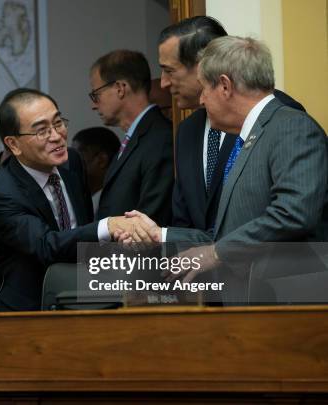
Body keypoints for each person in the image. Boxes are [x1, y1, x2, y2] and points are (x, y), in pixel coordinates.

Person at [124, 37, 327, 302]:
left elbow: (294, 213)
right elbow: (227, 231)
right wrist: (159, 234)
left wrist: (217, 253)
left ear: (224, 86)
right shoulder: (251, 135)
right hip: (250, 302)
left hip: (286, 303)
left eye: (204, 89)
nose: (202, 99)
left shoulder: (290, 127)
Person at [0, 88, 155, 311]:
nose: (57, 136)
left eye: (58, 122)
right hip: (30, 312)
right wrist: (107, 226)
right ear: (13, 144)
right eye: (42, 131)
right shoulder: (1, 195)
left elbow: (80, 231)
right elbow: (47, 245)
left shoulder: (72, 161)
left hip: (82, 295)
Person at [158, 16, 305, 235]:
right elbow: (183, 218)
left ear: (204, 65)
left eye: (169, 71)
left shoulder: (279, 118)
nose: (163, 83)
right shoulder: (187, 130)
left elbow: (287, 217)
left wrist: (216, 254)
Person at [89, 49, 173, 225]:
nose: (93, 105)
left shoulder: (161, 140)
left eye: (96, 95)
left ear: (120, 89)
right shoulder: (134, 137)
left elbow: (151, 221)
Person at [72, 127, 120, 217]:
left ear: (101, 160)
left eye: (76, 158)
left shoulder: (118, 205)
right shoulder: (80, 202)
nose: (70, 164)